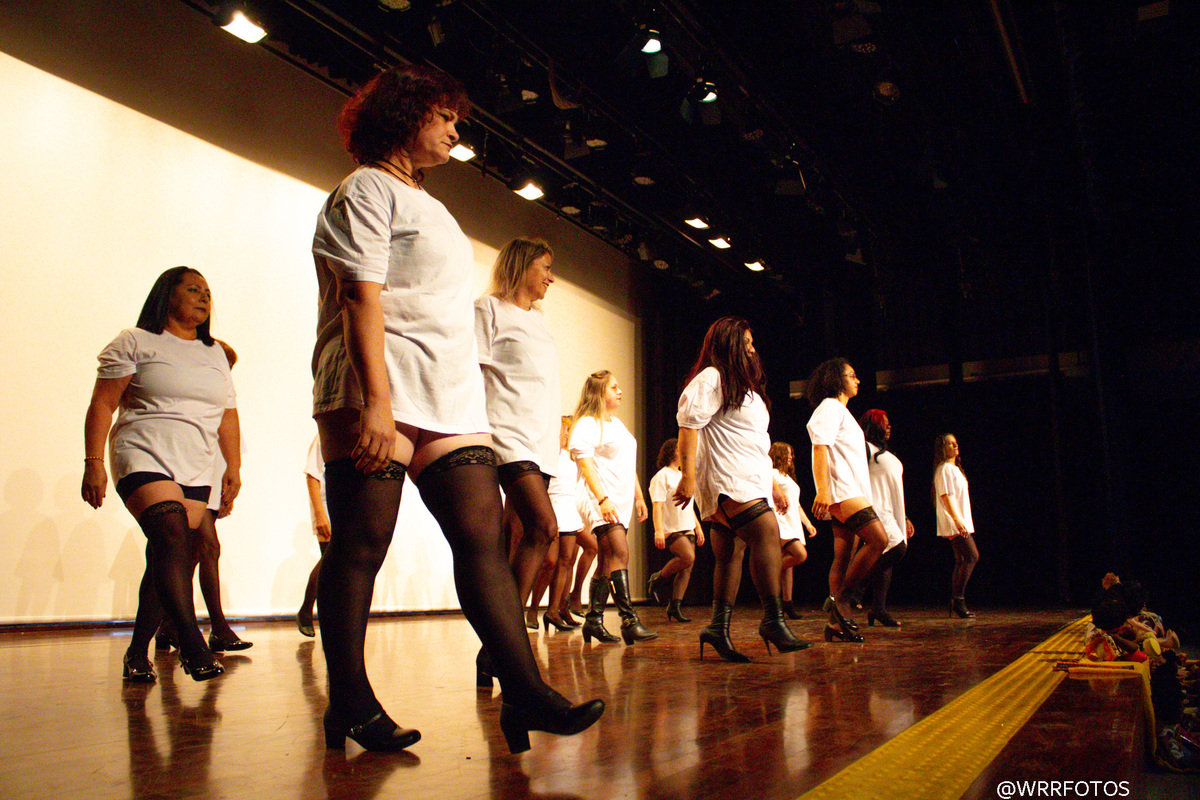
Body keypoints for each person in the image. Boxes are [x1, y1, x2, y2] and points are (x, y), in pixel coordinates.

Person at [310, 65, 602, 754]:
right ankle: (348, 700)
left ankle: (524, 692)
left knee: (483, 540)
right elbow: (360, 296)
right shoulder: (364, 189)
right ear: (404, 116)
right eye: (443, 116)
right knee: (361, 545)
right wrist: (377, 404)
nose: (453, 128)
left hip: (447, 393)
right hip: (376, 384)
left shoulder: (431, 204)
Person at [82, 266, 238, 683]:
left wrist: (233, 467)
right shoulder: (135, 341)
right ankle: (191, 644)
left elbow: (228, 414)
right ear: (167, 295)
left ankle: (137, 652)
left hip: (195, 462)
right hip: (141, 451)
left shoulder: (216, 354)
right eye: (193, 289)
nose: (204, 297)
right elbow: (103, 404)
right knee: (171, 536)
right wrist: (93, 462)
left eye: (208, 292)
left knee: (168, 555)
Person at [675, 317, 810, 661]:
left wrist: (772, 485)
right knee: (766, 532)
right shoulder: (712, 378)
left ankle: (717, 628)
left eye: (752, 343)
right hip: (728, 478)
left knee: (729, 554)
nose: (752, 350)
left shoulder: (745, 389)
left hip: (751, 478)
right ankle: (773, 620)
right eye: (746, 343)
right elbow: (688, 427)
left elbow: (756, 443)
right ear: (729, 345)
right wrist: (687, 477)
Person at [474, 237, 561, 652]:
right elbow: (471, 372)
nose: (551, 278)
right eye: (545, 267)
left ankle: (495, 648)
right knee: (544, 528)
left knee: (528, 534)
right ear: (522, 266)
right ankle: (506, 642)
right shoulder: (488, 309)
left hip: (540, 441)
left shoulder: (539, 320)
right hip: (506, 434)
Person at [154, 340, 251, 653]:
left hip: (205, 490)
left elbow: (226, 455)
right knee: (205, 548)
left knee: (193, 553)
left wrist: (226, 493)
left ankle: (168, 626)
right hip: (186, 485)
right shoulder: (193, 398)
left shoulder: (222, 404)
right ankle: (216, 628)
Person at [805, 358, 888, 643]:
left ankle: (835, 624)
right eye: (852, 375)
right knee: (878, 540)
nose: (858, 380)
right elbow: (819, 448)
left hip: (851, 490)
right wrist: (823, 490)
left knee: (844, 557)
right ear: (836, 380)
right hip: (842, 490)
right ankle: (840, 599)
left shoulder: (842, 412)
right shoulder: (830, 407)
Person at [570, 370, 655, 645]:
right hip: (599, 498)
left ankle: (593, 621)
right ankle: (629, 620)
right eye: (614, 387)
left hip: (620, 499)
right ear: (599, 392)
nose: (620, 391)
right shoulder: (587, 423)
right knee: (620, 553)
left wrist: (639, 497)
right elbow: (585, 464)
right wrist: (602, 499)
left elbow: (627, 464)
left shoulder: (616, 424)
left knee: (608, 560)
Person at [858, 410, 913, 627]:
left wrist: (904, 517)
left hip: (888, 510)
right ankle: (852, 589)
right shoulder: (864, 448)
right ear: (873, 425)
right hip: (873, 510)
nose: (889, 427)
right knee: (897, 548)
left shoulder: (884, 453)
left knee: (887, 555)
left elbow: (892, 489)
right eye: (885, 423)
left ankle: (878, 609)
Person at [647, 438, 704, 622]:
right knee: (688, 557)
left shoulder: (684, 476)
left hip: (687, 525)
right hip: (671, 528)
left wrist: (698, 526)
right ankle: (657, 578)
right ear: (673, 452)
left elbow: (689, 505)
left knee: (687, 567)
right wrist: (658, 531)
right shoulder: (662, 476)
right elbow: (657, 505)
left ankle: (674, 606)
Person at [541, 416, 585, 632]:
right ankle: (545, 609)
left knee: (567, 561)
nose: (566, 435)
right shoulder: (547, 458)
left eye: (568, 431)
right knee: (552, 562)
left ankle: (557, 609)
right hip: (554, 509)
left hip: (570, 511)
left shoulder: (570, 459)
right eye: (563, 431)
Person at [768, 442, 817, 620]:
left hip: (792, 522)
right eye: (787, 454)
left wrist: (808, 524)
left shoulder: (787, 477)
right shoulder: (772, 474)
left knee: (788, 567)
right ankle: (766, 573)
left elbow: (796, 505)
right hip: (780, 521)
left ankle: (786, 603)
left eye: (791, 454)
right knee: (799, 555)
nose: (791, 457)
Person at [933, 433, 978, 618]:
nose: (955, 445)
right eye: (950, 443)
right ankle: (958, 600)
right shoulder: (944, 469)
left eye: (956, 443)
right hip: (954, 520)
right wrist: (957, 520)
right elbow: (945, 496)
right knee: (972, 556)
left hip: (960, 520)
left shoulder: (955, 469)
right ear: (943, 448)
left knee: (962, 559)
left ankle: (956, 600)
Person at [298, 435, 330, 637]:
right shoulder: (322, 438)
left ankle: (331, 618)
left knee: (339, 565)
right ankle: (306, 611)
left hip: (345, 506)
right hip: (326, 506)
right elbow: (312, 475)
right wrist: (319, 514)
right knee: (329, 561)